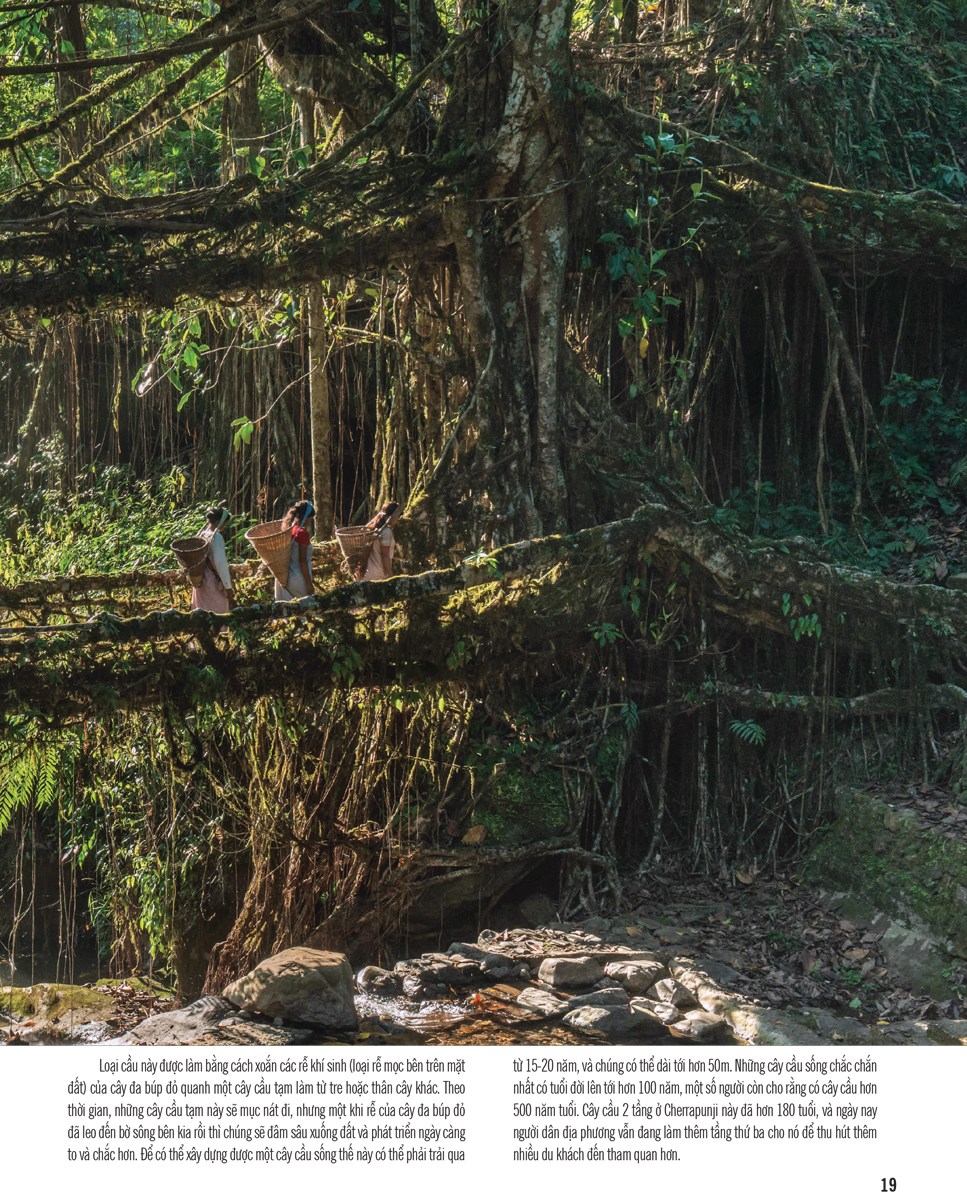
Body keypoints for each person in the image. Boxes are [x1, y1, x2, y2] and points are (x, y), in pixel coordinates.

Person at [191, 506, 234, 614]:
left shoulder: (202, 535)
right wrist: (228, 587)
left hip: (201, 582)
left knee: (202, 614)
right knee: (217, 615)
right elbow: (220, 564)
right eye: (224, 523)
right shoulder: (216, 537)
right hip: (213, 584)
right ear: (219, 521)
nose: (225, 526)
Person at [276, 499, 316, 600]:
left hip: (288, 576)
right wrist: (308, 583)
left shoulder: (289, 530)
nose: (310, 523)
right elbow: (302, 561)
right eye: (310, 519)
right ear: (304, 517)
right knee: (312, 609)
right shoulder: (302, 533)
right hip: (299, 578)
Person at [359, 501, 400, 582]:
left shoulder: (372, 527)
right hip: (377, 575)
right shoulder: (386, 532)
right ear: (393, 517)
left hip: (364, 573)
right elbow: (385, 556)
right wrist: (391, 578)